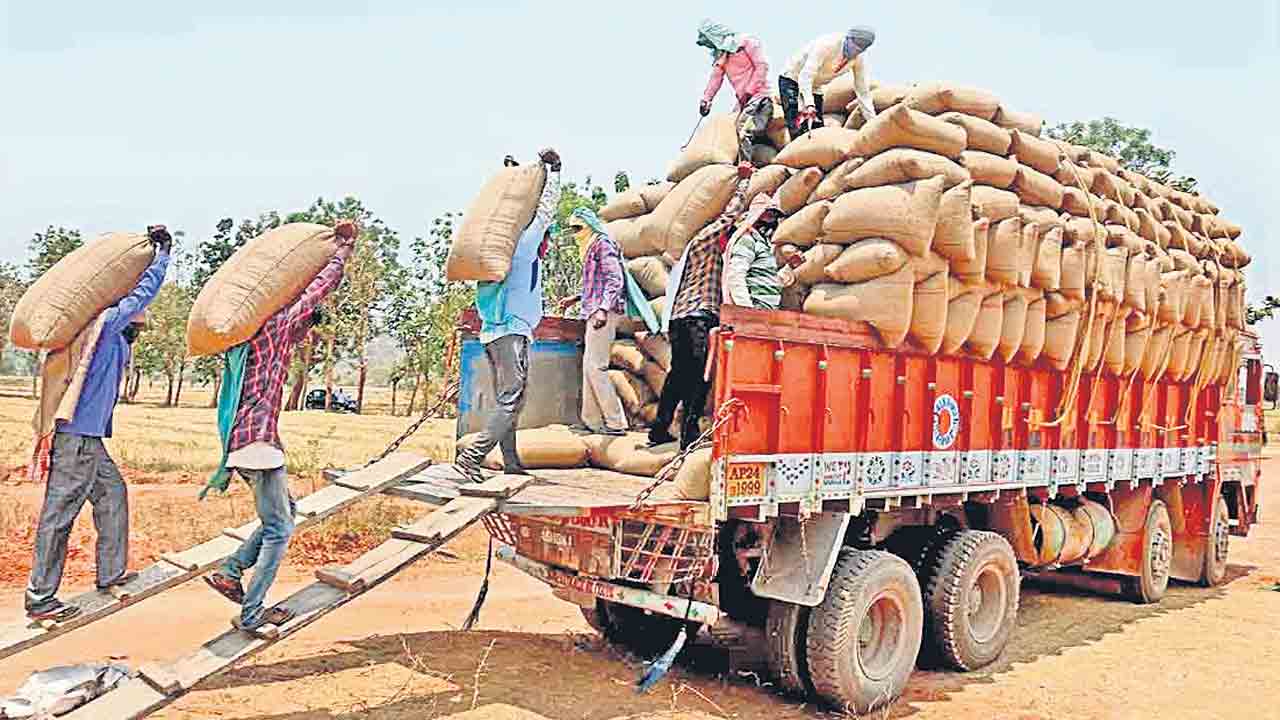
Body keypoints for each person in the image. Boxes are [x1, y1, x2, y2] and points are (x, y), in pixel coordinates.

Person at [202, 220, 358, 632]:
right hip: (257, 445)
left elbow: (304, 312)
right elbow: (313, 294)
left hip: (248, 442)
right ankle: (252, 612)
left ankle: (231, 572)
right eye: (304, 323)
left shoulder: (249, 339)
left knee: (284, 509)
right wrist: (342, 251)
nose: (304, 329)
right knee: (279, 529)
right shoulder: (273, 329)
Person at [24, 226, 172, 622]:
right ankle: (40, 597)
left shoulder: (114, 341)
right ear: (127, 314)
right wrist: (163, 255)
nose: (142, 326)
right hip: (75, 440)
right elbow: (144, 292)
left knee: (113, 495)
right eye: (139, 321)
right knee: (60, 514)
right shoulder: (104, 326)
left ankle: (111, 573)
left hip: (88, 440)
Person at [454, 148, 562, 483]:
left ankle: (511, 460)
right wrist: (555, 172)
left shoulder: (498, 254)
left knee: (511, 399)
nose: (546, 242)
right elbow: (543, 214)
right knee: (511, 398)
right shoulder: (521, 248)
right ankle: (472, 458)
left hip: (495, 334)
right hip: (510, 335)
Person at [650, 163, 754, 449]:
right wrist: (743, 183)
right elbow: (729, 215)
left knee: (679, 374)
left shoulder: (694, 250)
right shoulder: (704, 240)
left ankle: (659, 428)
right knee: (700, 375)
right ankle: (689, 431)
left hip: (679, 318)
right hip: (696, 317)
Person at [559, 208, 633, 437]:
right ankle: (591, 421)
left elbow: (614, 280)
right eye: (573, 229)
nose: (575, 232)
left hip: (604, 313)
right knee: (588, 367)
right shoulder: (590, 246)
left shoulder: (602, 244)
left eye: (578, 227)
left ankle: (615, 422)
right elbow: (596, 282)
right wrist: (576, 297)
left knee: (596, 367)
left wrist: (602, 309)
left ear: (590, 224)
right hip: (593, 310)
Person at [695, 19, 772, 163]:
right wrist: (706, 99)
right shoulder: (723, 55)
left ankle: (745, 165)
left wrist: (749, 92)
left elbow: (762, 67)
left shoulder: (747, 43)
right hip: (744, 101)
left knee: (743, 127)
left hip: (759, 96)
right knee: (730, 131)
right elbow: (716, 78)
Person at [778, 27, 877, 137]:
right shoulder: (827, 45)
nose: (857, 50)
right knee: (798, 125)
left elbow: (863, 91)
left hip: (815, 87)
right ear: (848, 38)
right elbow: (806, 76)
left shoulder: (858, 59)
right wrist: (809, 104)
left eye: (862, 48)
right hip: (792, 79)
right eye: (856, 45)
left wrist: (873, 122)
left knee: (817, 130)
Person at [723, 193, 785, 311]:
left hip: (767, 311)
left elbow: (767, 280)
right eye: (769, 214)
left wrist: (789, 269)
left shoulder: (764, 245)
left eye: (775, 216)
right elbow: (736, 276)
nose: (773, 219)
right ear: (757, 214)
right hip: (755, 309)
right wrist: (746, 309)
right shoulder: (748, 240)